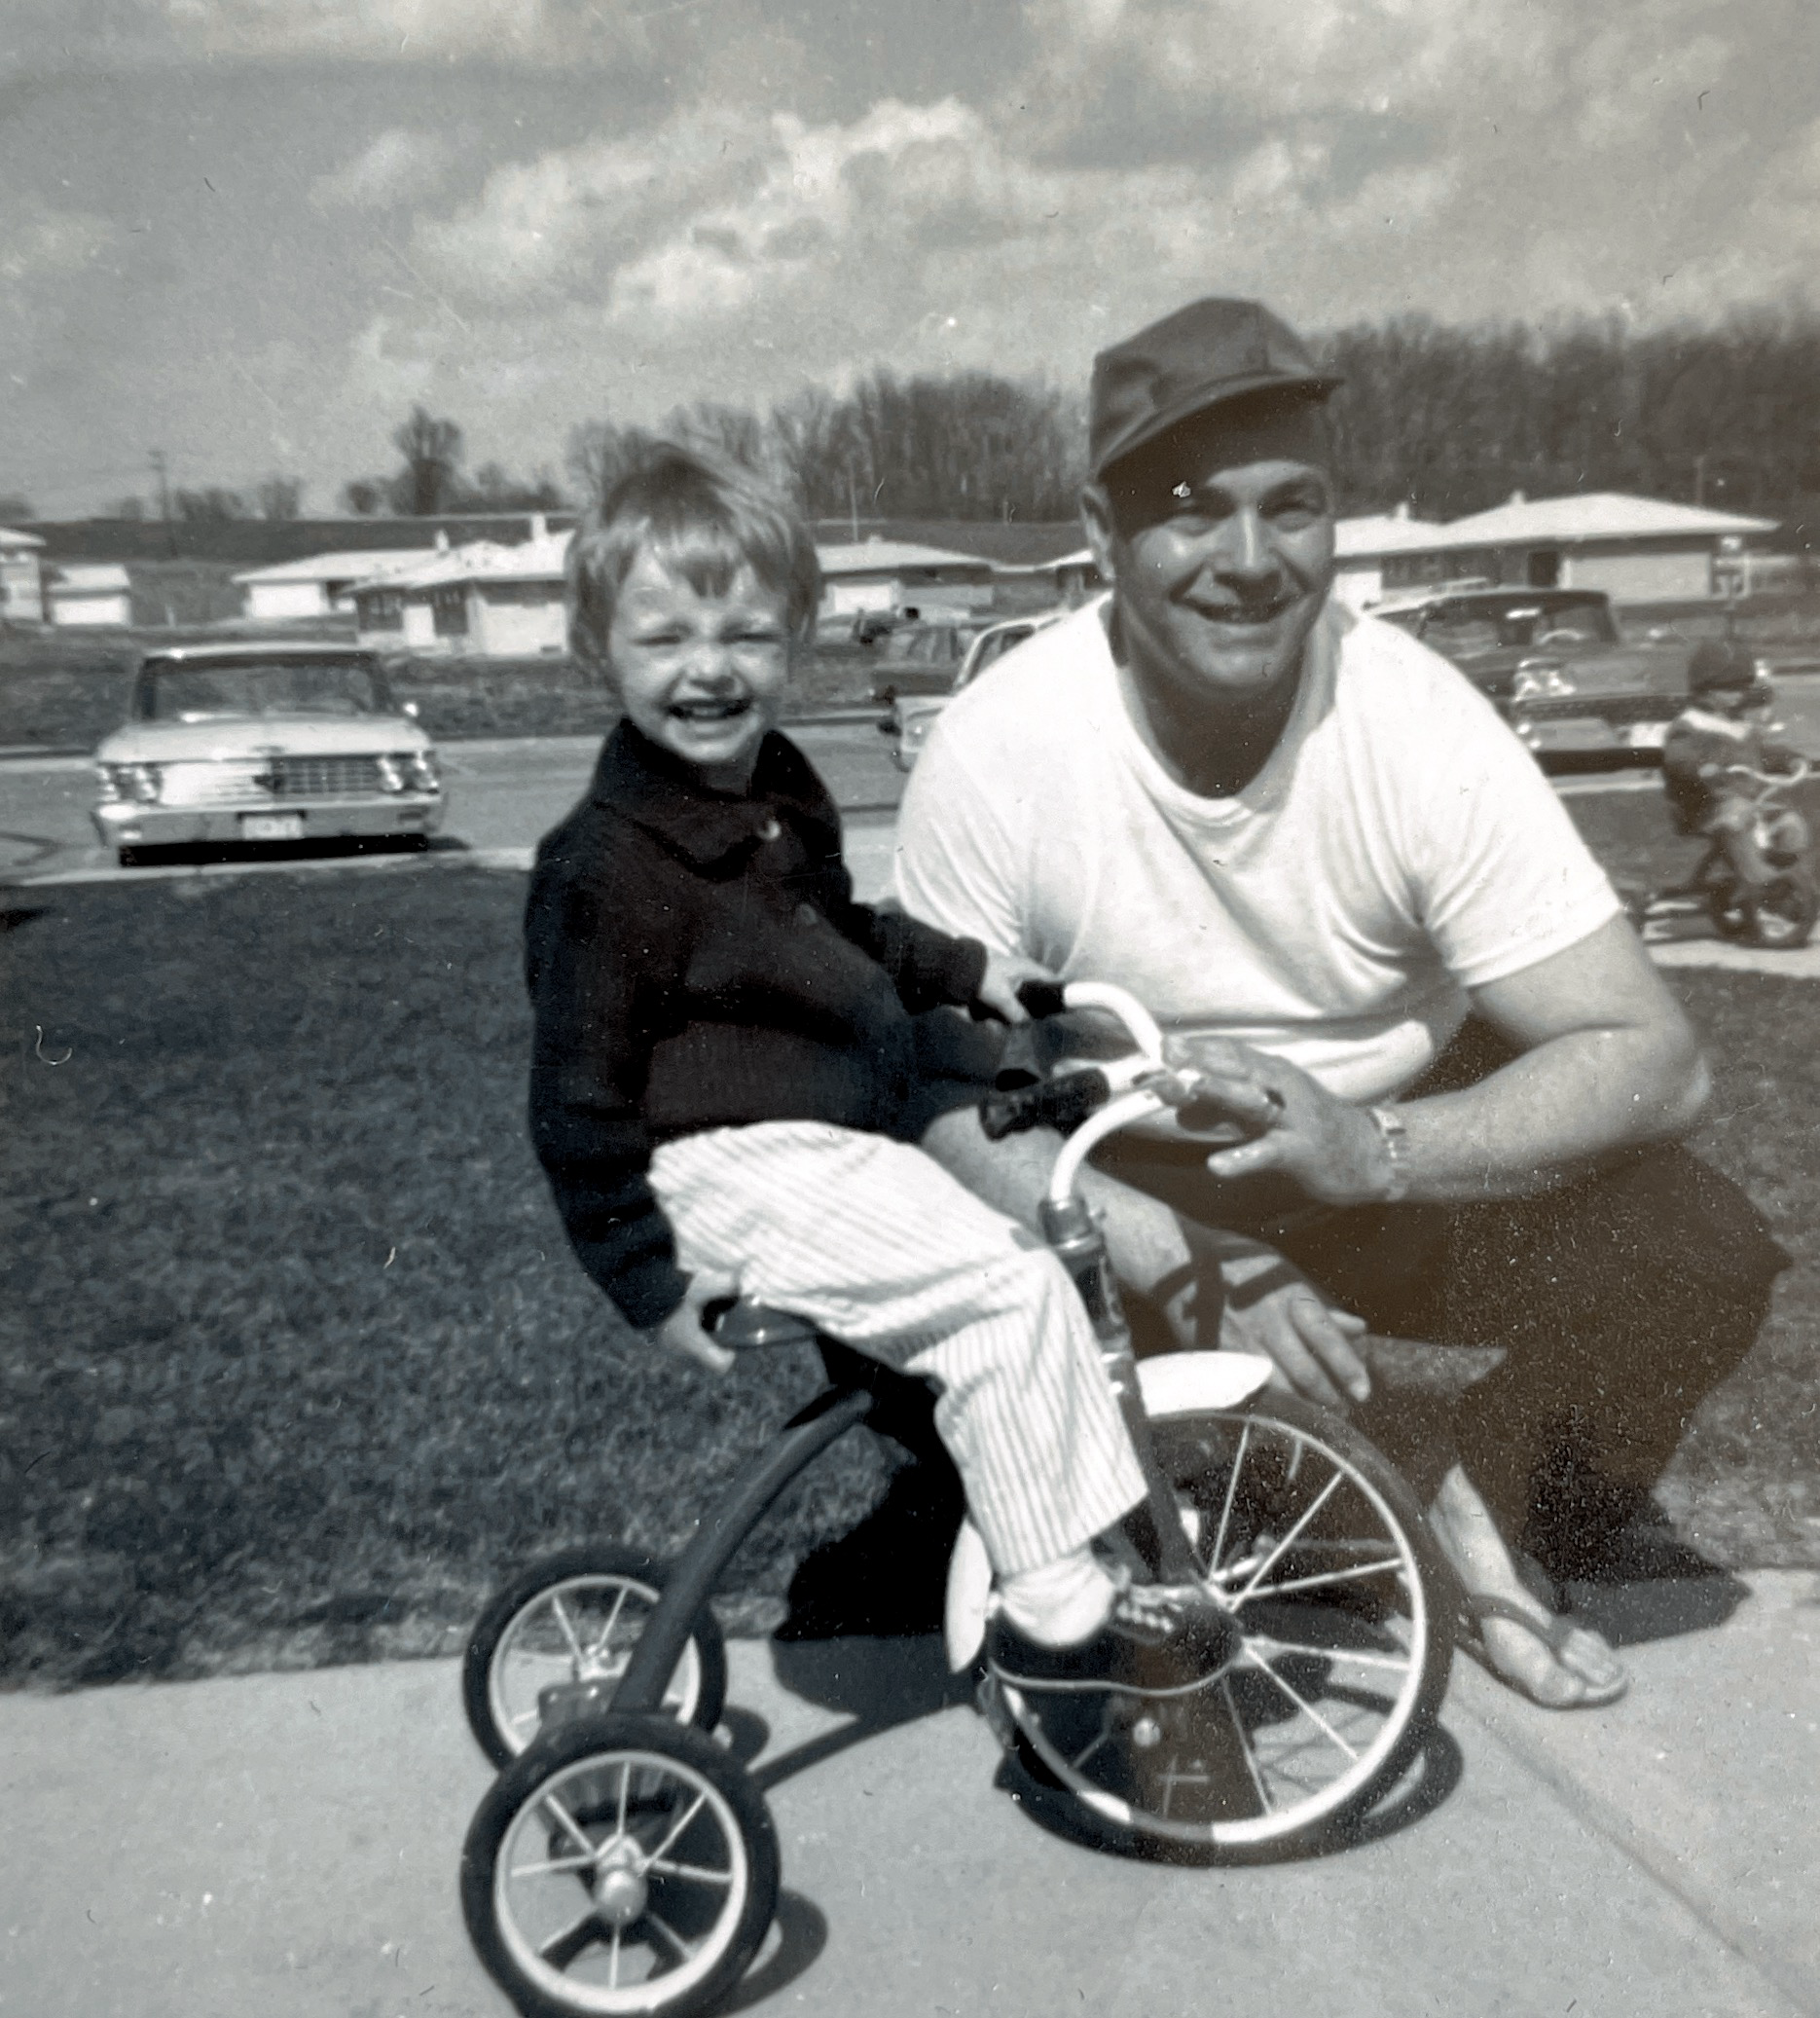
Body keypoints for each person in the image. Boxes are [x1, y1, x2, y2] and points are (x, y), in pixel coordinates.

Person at [897, 297, 1788, 1711]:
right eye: (1192, 512)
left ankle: (1495, 1506)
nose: (1249, 563)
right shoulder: (1001, 746)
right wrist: (1178, 1253)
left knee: (1698, 1251)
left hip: (1374, 1156)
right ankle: (1084, 1491)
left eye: (1292, 506)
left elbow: (1654, 1059)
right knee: (929, 1334)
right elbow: (930, 1095)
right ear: (1102, 531)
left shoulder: (1413, 718)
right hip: (1114, 1174)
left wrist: (1377, 1150)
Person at [524, 443, 1231, 1685]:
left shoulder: (776, 792)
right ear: (600, 654)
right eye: (665, 639)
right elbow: (575, 1101)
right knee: (1004, 1294)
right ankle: (1057, 1594)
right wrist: (642, 1281)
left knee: (1027, 1273)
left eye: (746, 635)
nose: (709, 671)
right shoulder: (603, 863)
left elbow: (834, 930)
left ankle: (1071, 1537)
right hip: (721, 1168)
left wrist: (964, 973)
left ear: (795, 640)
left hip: (825, 1149)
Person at [1660, 638, 1806, 893]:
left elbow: (1763, 751)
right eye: (1729, 688)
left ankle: (1785, 879)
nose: (1738, 695)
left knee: (1790, 823)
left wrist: (1790, 759)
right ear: (1705, 689)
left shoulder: (1739, 723)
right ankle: (1760, 883)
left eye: (1742, 688)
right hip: (1706, 805)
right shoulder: (1690, 724)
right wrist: (1702, 768)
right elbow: (1678, 758)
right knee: (1738, 816)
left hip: (1750, 799)